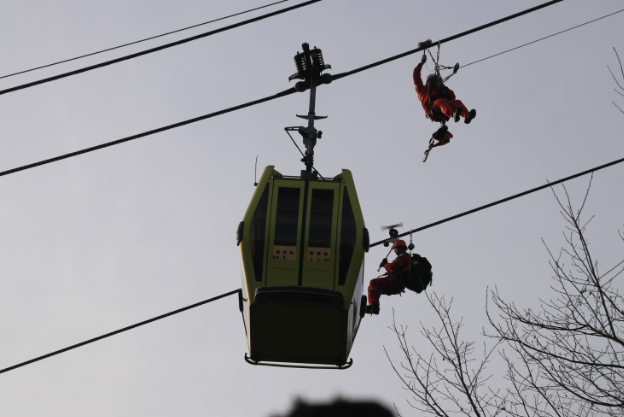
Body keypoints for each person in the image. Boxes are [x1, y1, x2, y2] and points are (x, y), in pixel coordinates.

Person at [413, 53, 476, 126]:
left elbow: (452, 97)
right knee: (440, 101)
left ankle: (467, 115)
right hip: (433, 111)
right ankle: (453, 114)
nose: (436, 81)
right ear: (429, 81)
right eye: (435, 80)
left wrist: (443, 88)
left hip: (444, 112)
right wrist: (421, 63)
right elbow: (415, 75)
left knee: (457, 102)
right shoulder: (422, 89)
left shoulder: (440, 88)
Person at [366, 240, 411, 315]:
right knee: (372, 287)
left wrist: (385, 264)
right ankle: (372, 306)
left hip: (394, 281)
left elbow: (393, 266)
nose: (394, 251)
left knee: (373, 282)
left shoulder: (404, 257)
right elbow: (394, 269)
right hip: (396, 284)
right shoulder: (403, 258)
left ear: (400, 248)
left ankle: (375, 307)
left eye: (395, 249)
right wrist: (386, 266)